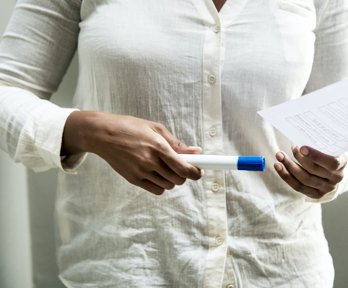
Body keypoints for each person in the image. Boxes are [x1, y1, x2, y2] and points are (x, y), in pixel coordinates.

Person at [0, 0, 347, 287]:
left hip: (281, 271)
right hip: (130, 268)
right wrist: (87, 129)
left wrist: (333, 172)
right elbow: (5, 91)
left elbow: (340, 112)